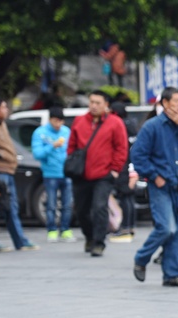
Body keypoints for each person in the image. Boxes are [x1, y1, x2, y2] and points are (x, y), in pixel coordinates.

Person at [131, 87, 178, 287]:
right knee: (166, 229)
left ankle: (172, 274)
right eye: (176, 101)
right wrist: (154, 176)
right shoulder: (152, 126)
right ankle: (141, 258)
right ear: (164, 103)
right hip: (160, 186)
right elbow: (137, 156)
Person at [67, 90, 128, 256]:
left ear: (106, 105)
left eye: (98, 103)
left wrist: (115, 170)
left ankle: (99, 242)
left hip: (104, 175)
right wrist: (73, 163)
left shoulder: (115, 122)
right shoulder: (79, 121)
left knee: (100, 207)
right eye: (91, 102)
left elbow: (121, 148)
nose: (93, 106)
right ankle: (89, 237)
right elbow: (71, 146)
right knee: (81, 210)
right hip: (81, 175)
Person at [0, 94, 39, 251]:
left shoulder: (0, 123)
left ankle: (19, 241)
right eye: (3, 107)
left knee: (9, 208)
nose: (6, 110)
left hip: (7, 171)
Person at [31, 106, 76, 243]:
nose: (59, 124)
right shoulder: (40, 133)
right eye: (56, 121)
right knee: (51, 204)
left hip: (67, 173)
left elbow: (73, 150)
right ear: (50, 119)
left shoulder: (66, 132)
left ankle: (65, 229)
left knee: (67, 204)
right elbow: (37, 154)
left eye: (61, 121)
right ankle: (51, 230)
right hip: (50, 173)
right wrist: (52, 146)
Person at [108, 101, 139, 242]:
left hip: (124, 167)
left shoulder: (119, 125)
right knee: (129, 198)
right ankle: (130, 226)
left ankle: (125, 227)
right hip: (133, 166)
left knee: (125, 196)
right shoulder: (132, 124)